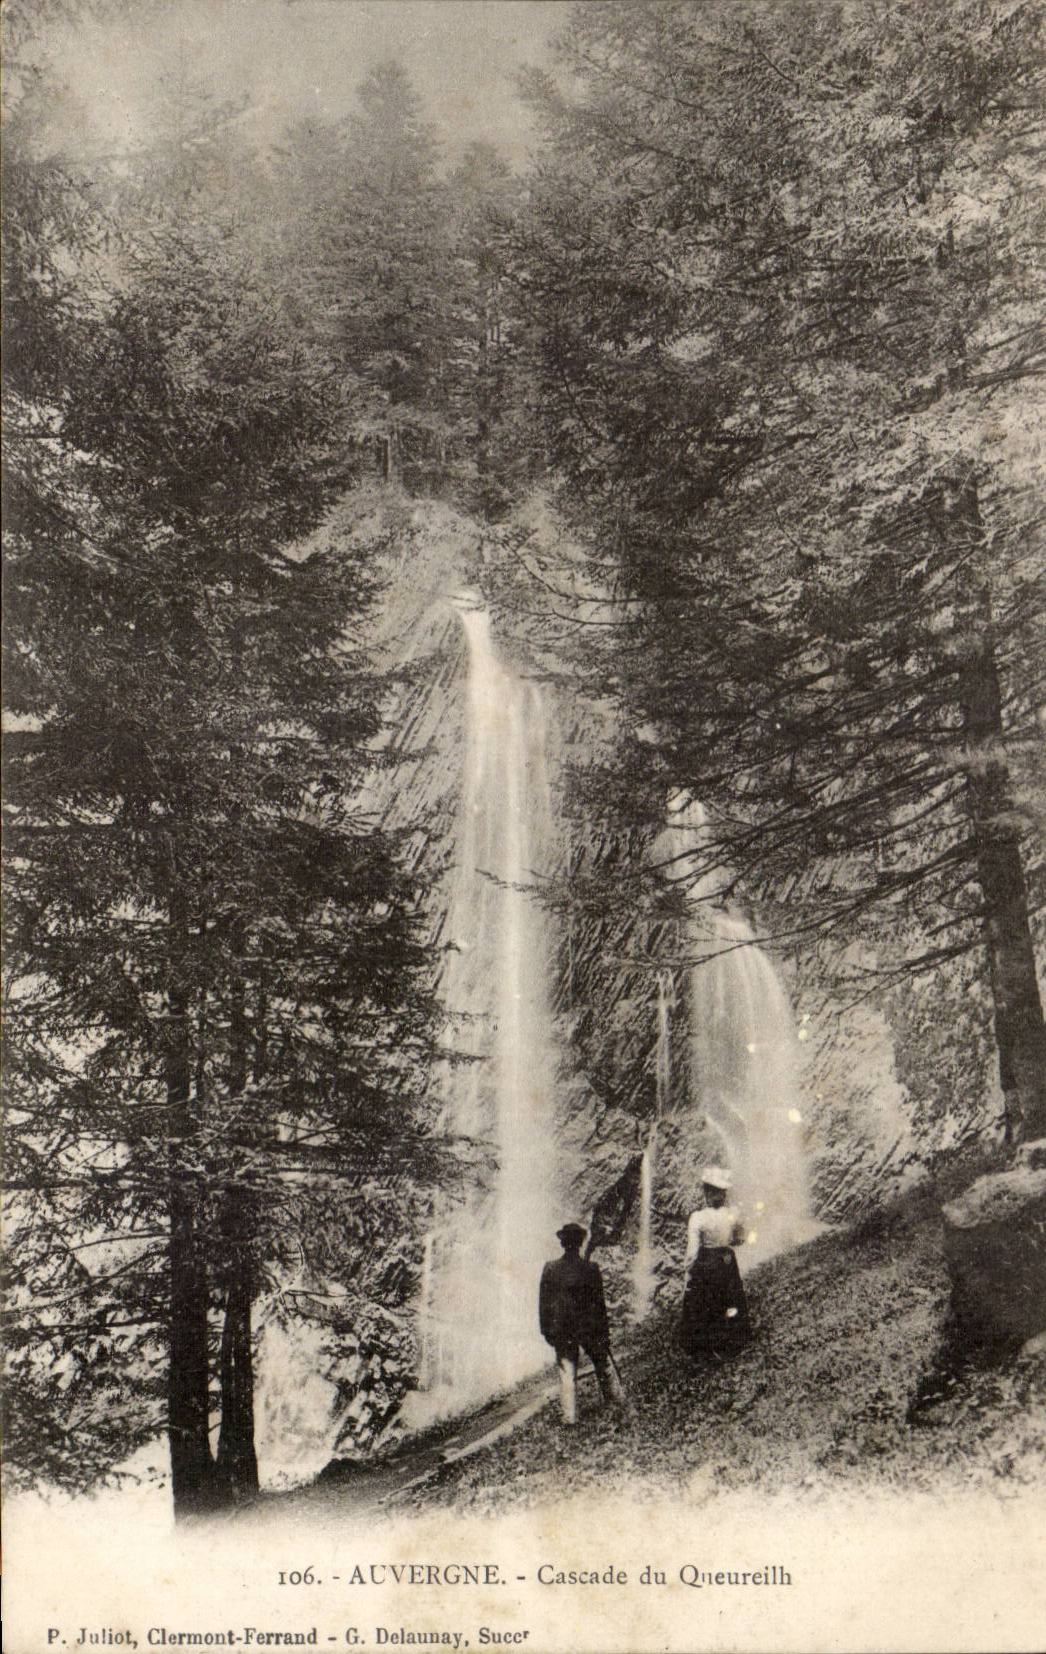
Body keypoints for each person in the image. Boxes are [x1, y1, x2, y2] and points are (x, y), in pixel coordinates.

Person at [539, 1222, 625, 1425]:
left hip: (563, 1330)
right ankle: (617, 1404)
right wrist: (604, 1332)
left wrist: (547, 1331)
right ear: (580, 1243)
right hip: (589, 1328)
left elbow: (544, 1304)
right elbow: (599, 1304)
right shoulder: (590, 1269)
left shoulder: (550, 1269)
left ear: (562, 1242)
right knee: (603, 1366)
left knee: (567, 1373)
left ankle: (569, 1418)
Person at [679, 1166, 752, 1359]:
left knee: (706, 1301)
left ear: (707, 1192)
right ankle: (735, 1339)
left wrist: (688, 1272)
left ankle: (707, 1347)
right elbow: (741, 1238)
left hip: (707, 1262)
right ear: (723, 1193)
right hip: (727, 1261)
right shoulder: (733, 1214)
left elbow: (692, 1253)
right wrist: (727, 1243)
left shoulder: (698, 1218)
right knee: (730, 1297)